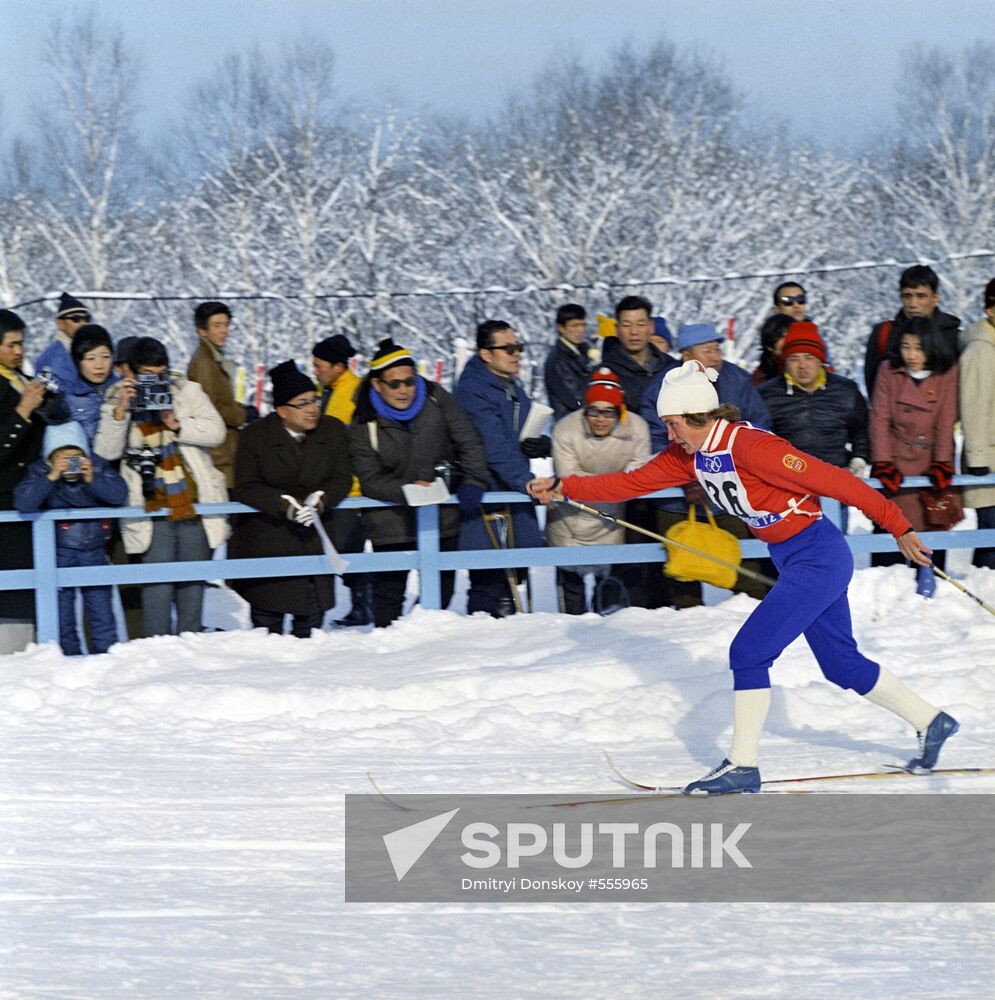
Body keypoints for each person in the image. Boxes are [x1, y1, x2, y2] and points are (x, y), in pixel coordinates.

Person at [527, 361, 959, 794]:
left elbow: (839, 482)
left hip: (818, 557)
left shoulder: (753, 448)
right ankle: (931, 721)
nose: (670, 435)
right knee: (841, 665)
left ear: (698, 415)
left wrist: (899, 527)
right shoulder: (689, 455)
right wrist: (566, 487)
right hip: (793, 558)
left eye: (673, 424)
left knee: (748, 652)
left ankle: (742, 765)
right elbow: (630, 483)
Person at [349, 337, 490, 627]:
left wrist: (474, 479)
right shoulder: (363, 422)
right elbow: (370, 479)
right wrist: (409, 491)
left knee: (442, 591)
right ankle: (392, 653)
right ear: (377, 384)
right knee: (389, 594)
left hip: (441, 517)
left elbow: (468, 440)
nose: (404, 390)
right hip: (391, 522)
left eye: (409, 381)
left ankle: (424, 644)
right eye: (395, 384)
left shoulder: (437, 399)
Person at [94, 336, 229, 636]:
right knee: (157, 590)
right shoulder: (118, 396)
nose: (155, 383)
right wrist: (122, 412)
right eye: (147, 376)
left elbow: (217, 431)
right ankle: (158, 659)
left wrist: (177, 424)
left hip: (192, 503)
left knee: (192, 587)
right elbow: (106, 452)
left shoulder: (187, 391)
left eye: (160, 374)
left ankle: (190, 651)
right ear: (132, 372)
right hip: (151, 508)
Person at [640, 322, 771, 607]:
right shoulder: (662, 387)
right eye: (708, 350)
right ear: (686, 355)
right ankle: (690, 625)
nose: (716, 356)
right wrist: (688, 474)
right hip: (677, 497)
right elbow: (658, 435)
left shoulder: (736, 379)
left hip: (727, 489)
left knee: (744, 564)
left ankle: (754, 612)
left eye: (717, 349)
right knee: (683, 569)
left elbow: (757, 425)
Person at [229, 361, 353, 637]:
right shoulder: (255, 436)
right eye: (302, 403)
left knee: (310, 629)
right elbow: (246, 486)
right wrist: (282, 503)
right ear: (282, 410)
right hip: (269, 541)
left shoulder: (332, 431)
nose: (312, 409)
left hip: (313, 541)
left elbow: (342, 477)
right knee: (267, 630)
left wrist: (322, 500)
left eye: (314, 400)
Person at [454, 321, 548, 617]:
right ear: (486, 353)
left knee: (512, 574)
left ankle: (507, 632)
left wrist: (538, 442)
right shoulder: (474, 390)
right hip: (488, 490)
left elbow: (510, 434)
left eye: (518, 347)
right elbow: (491, 444)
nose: (516, 354)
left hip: (509, 486)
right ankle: (482, 634)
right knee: (488, 576)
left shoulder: (510, 385)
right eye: (508, 349)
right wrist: (525, 481)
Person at [14, 421, 127, 655]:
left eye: (76, 456)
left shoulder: (97, 466)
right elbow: (24, 502)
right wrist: (51, 476)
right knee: (62, 617)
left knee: (102, 613)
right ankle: (69, 662)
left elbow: (119, 494)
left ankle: (108, 661)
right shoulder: (39, 470)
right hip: (57, 552)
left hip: (95, 548)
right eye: (64, 458)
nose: (71, 463)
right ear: (51, 456)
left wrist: (92, 478)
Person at [547, 367, 652, 614]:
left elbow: (640, 473)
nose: (600, 419)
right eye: (593, 411)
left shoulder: (637, 429)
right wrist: (617, 483)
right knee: (571, 600)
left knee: (609, 601)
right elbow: (567, 477)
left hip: (612, 521)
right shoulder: (565, 429)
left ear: (620, 412)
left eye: (609, 412)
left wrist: (609, 484)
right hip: (568, 522)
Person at [870, 316, 959, 595]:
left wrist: (942, 462)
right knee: (891, 524)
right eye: (906, 346)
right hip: (896, 456)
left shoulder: (946, 372)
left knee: (933, 522)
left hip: (930, 455)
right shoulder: (889, 370)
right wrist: (883, 462)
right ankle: (887, 588)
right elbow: (880, 417)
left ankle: (931, 584)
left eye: (918, 348)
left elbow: (946, 420)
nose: (911, 354)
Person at [312, 333, 371, 626]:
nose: (316, 370)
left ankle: (363, 604)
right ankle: (360, 604)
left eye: (320, 365)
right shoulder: (332, 390)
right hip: (339, 485)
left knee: (348, 546)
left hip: (352, 487)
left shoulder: (352, 392)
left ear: (338, 365)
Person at [0, 310, 49, 652]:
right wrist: (22, 413)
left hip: (30, 497)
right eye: (12, 344)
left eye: (22, 343)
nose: (20, 351)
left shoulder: (21, 381)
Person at [759, 322, 869, 475]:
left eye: (809, 357)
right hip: (788, 480)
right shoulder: (767, 395)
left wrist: (859, 459)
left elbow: (862, 431)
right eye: (794, 358)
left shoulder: (846, 391)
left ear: (821, 360)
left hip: (837, 479)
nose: (802, 365)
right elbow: (757, 438)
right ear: (785, 363)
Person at [187, 301, 257, 488]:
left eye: (226, 325)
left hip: (225, 452)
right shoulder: (204, 363)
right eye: (217, 325)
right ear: (202, 331)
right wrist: (244, 415)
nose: (224, 330)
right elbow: (212, 408)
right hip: (219, 456)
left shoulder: (214, 359)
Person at [864, 265, 960, 399]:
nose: (913, 304)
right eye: (907, 296)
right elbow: (874, 388)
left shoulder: (955, 337)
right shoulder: (884, 333)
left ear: (935, 298)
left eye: (921, 296)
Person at [959, 277, 995, 569]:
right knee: (991, 536)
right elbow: (973, 407)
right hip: (988, 462)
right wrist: (978, 459)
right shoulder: (980, 350)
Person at [600, 295, 674, 411]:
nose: (634, 332)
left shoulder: (671, 369)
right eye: (626, 325)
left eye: (640, 324)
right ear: (617, 329)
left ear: (651, 327)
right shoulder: (604, 375)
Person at [52, 324, 120, 443]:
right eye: (90, 358)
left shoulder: (124, 391)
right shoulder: (66, 398)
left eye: (105, 357)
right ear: (77, 361)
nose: (99, 365)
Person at [543, 303, 595, 421]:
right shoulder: (558, 360)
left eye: (582, 325)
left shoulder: (582, 352)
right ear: (560, 328)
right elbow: (577, 399)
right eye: (574, 326)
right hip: (571, 427)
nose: (580, 330)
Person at [33, 293, 93, 390]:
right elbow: (44, 387)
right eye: (76, 319)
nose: (83, 324)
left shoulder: (94, 351)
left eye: (86, 319)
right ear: (60, 324)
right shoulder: (49, 358)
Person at [751, 313, 793, 387]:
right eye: (783, 337)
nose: (789, 340)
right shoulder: (761, 380)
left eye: (792, 335)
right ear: (769, 346)